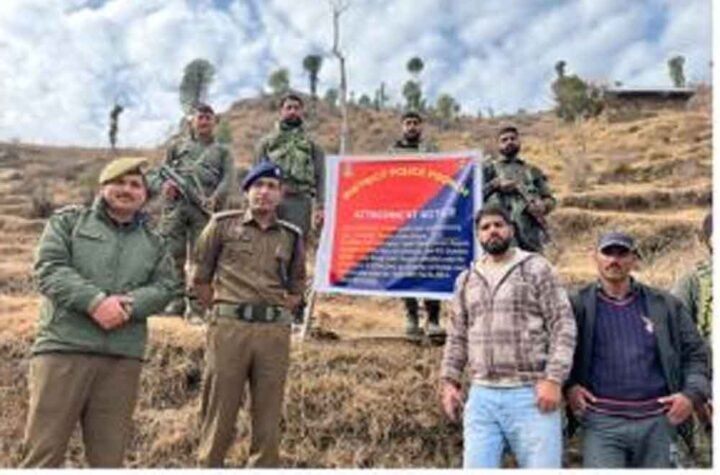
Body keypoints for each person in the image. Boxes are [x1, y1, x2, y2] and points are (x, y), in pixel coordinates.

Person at [21, 157, 179, 467]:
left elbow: (166, 287)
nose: (127, 189)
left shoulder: (155, 242)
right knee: (43, 454)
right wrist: (95, 302)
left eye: (135, 185)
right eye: (119, 182)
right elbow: (49, 269)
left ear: (144, 195)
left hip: (121, 358)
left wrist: (128, 305)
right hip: (64, 349)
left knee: (109, 459)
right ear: (103, 186)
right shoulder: (68, 222)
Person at [439, 205, 576, 468]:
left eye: (498, 225)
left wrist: (553, 379)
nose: (493, 231)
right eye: (485, 227)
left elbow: (563, 325)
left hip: (531, 395)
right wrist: (450, 382)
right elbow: (457, 336)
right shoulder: (467, 279)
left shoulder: (536, 268)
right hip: (482, 396)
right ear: (478, 235)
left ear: (511, 229)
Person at [191, 161, 305, 467]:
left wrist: (279, 310)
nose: (264, 192)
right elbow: (200, 279)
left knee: (269, 410)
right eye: (258, 186)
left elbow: (297, 285)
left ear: (280, 195)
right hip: (230, 329)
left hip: (273, 334)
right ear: (247, 191)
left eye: (272, 187)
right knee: (220, 407)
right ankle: (209, 465)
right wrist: (223, 311)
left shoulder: (291, 235)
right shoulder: (221, 225)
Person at [565, 231, 710, 468]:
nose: (614, 260)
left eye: (622, 253)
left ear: (634, 259)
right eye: (607, 253)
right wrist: (569, 386)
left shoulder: (665, 305)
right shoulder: (576, 305)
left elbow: (696, 355)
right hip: (601, 424)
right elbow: (556, 352)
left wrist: (690, 395)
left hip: (659, 422)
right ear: (595, 257)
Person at [149, 103, 235, 317]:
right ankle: (175, 301)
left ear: (214, 122)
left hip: (204, 208)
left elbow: (228, 179)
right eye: (200, 117)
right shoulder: (176, 147)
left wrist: (215, 199)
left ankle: (198, 306)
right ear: (192, 122)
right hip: (176, 207)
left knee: (202, 257)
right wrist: (164, 186)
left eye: (208, 117)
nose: (204, 121)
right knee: (172, 254)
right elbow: (158, 175)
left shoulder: (223, 151)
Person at [388, 111, 444, 337]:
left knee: (431, 266)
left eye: (415, 123)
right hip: (402, 219)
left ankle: (434, 319)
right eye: (408, 123)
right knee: (405, 268)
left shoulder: (432, 151)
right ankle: (411, 316)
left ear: (421, 127)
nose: (411, 127)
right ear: (402, 127)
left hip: (429, 217)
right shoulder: (391, 153)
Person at [255, 93, 325, 238]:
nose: (293, 111)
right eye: (288, 108)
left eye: (296, 108)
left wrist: (320, 206)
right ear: (281, 111)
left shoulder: (312, 143)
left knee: (297, 243)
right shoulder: (266, 143)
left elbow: (320, 175)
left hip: (300, 201)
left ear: (301, 111)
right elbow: (256, 175)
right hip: (271, 200)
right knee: (268, 242)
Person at [482, 125, 556, 253]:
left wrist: (542, 206)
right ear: (498, 145)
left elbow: (550, 199)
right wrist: (495, 186)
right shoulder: (487, 170)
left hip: (530, 238)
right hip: (498, 238)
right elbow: (474, 199)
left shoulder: (532, 170)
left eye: (513, 138)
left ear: (519, 141)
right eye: (504, 140)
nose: (509, 142)